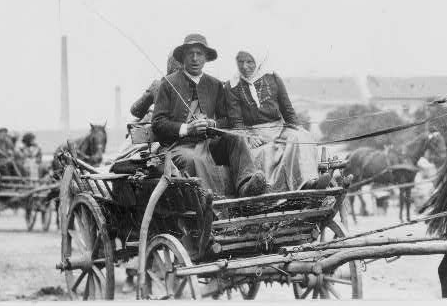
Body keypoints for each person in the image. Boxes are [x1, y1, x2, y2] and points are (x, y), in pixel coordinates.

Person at [152, 34, 268, 198]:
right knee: (193, 159)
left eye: (199, 54)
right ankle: (211, 202)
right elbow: (157, 123)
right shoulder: (168, 83)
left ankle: (246, 185)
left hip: (208, 143)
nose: (194, 58)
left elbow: (226, 120)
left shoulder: (214, 85)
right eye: (190, 53)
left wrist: (213, 124)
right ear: (183, 57)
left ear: (206, 58)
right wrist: (187, 128)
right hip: (177, 147)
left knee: (236, 137)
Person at [225, 50, 330, 192]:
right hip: (254, 134)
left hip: (279, 129)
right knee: (265, 152)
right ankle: (266, 193)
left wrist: (300, 130)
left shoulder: (273, 78)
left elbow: (288, 111)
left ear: (259, 61)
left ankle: (307, 183)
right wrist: (247, 136)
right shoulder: (232, 86)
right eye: (240, 62)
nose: (244, 66)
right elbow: (236, 121)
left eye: (249, 61)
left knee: (302, 138)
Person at [130, 53, 183, 122]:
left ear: (169, 66)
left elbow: (136, 110)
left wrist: (151, 112)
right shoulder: (197, 87)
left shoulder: (157, 85)